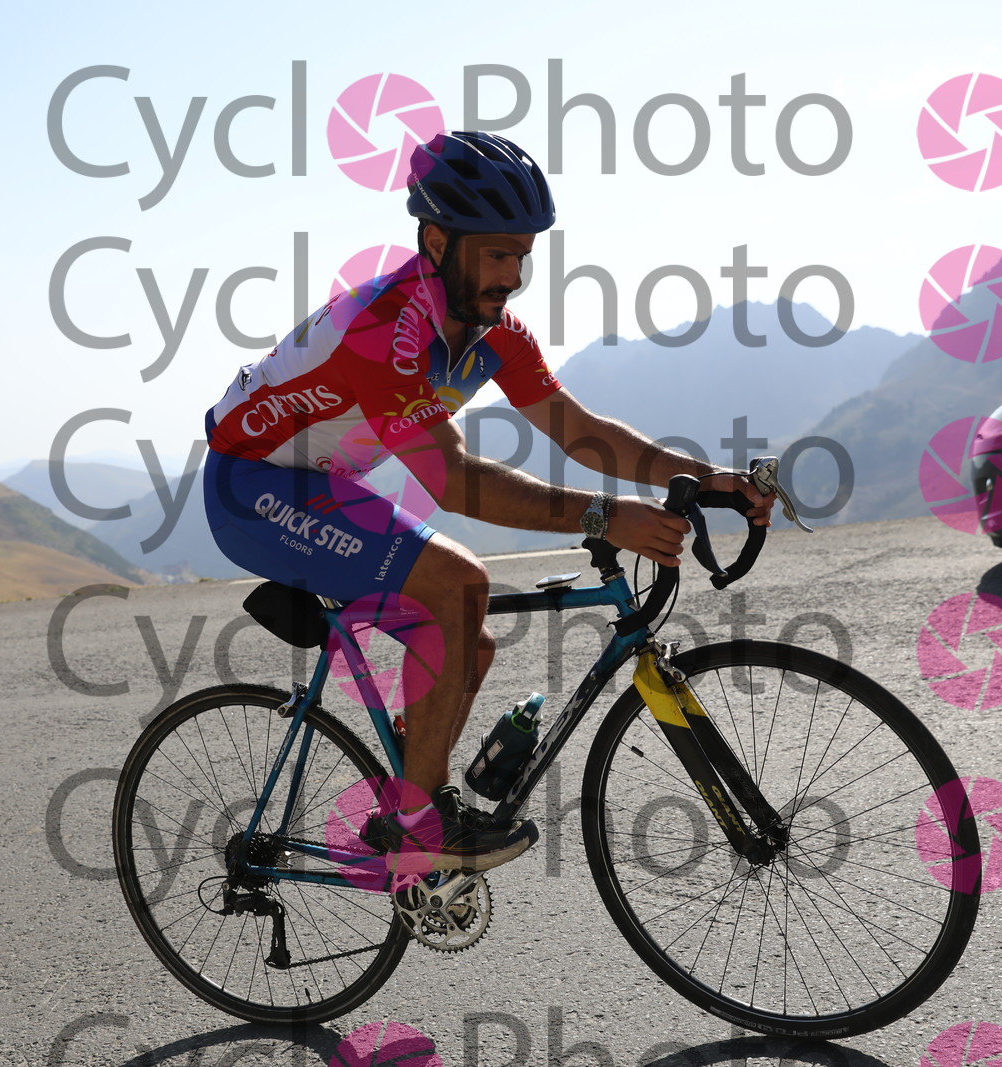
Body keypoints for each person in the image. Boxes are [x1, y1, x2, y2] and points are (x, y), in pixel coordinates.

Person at [203, 130, 773, 872]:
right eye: (497, 254)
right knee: (460, 582)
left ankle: (411, 803)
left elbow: (584, 431)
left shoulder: (493, 334)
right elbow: (454, 481)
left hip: (324, 483)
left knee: (467, 639)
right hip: (251, 487)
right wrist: (607, 516)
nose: (513, 275)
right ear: (438, 242)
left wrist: (710, 476)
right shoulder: (382, 328)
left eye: (523, 255)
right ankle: (417, 827)